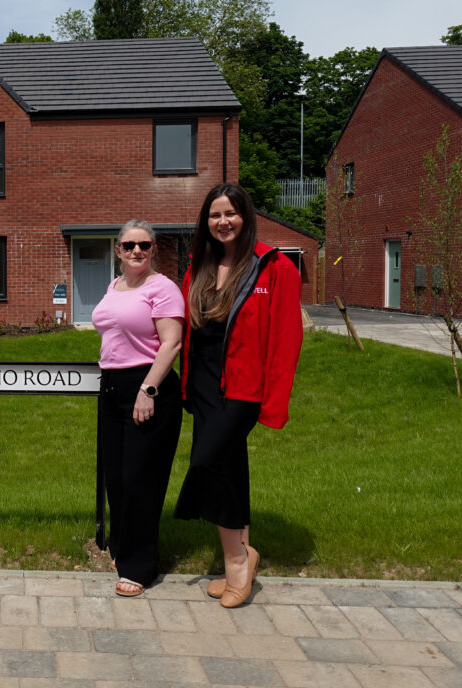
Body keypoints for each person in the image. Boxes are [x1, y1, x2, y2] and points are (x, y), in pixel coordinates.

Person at [173, 183, 302, 608]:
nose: (222, 222)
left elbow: (286, 339)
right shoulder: (200, 267)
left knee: (207, 463)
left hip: (244, 389)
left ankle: (237, 561)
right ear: (205, 222)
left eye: (230, 214)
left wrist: (274, 399)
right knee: (229, 469)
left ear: (245, 217)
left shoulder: (274, 267)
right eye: (214, 215)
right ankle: (242, 556)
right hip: (203, 385)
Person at [91, 220, 185, 597]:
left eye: (144, 245)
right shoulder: (113, 287)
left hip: (149, 387)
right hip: (112, 387)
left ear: (153, 249)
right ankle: (122, 545)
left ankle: (141, 566)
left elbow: (172, 344)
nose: (136, 252)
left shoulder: (162, 288)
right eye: (128, 245)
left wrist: (148, 389)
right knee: (116, 476)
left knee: (140, 479)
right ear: (118, 250)